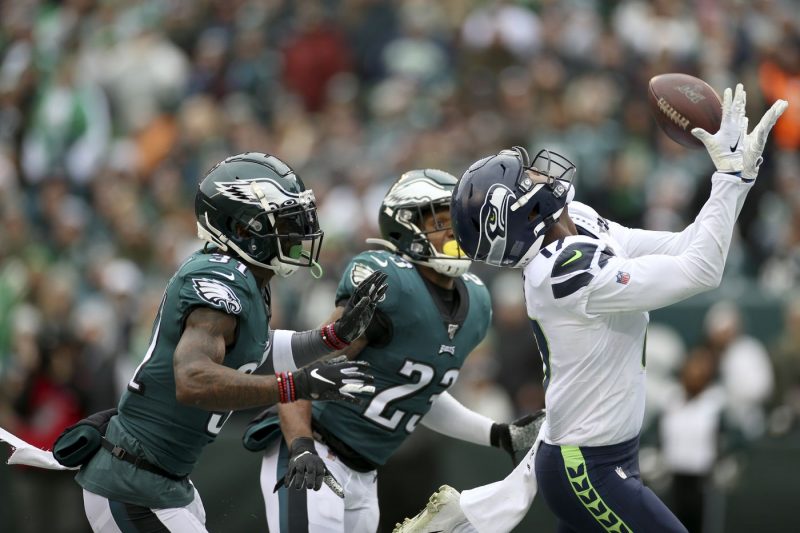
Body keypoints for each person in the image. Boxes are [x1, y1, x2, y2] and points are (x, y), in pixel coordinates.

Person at [395, 86, 788, 533]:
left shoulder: (577, 219)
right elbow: (701, 271)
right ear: (520, 215)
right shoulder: (562, 273)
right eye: (525, 180)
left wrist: (739, 180)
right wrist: (728, 180)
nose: (540, 174)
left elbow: (685, 246)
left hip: (606, 455)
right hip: (586, 468)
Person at [71, 152, 387, 532]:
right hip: (134, 482)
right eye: (285, 222)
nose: (299, 232)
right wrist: (296, 385)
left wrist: (331, 337)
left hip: (161, 478)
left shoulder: (246, 279)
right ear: (241, 230)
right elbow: (192, 380)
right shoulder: (220, 282)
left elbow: (256, 354)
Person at [244, 169, 544, 533]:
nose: (454, 231)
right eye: (440, 221)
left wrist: (498, 434)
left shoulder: (477, 301)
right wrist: (301, 444)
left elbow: (421, 392)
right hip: (315, 451)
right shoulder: (390, 282)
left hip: (365, 474)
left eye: (458, 220)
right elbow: (303, 369)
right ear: (406, 225)